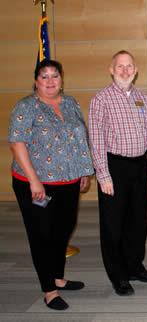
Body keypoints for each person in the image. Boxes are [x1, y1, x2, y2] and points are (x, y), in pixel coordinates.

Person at [8, 59, 94, 310]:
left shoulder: (70, 103)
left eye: (54, 76)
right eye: (44, 76)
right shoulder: (26, 107)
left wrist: (83, 171)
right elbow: (17, 143)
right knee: (42, 235)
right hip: (36, 184)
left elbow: (80, 137)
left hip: (68, 180)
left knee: (63, 229)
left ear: (61, 79)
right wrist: (34, 180)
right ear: (36, 81)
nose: (50, 81)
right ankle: (49, 290)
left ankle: (57, 276)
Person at [88, 50, 147, 296]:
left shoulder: (143, 98)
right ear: (111, 69)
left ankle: (134, 267)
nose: (125, 70)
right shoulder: (101, 99)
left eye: (129, 66)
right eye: (120, 66)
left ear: (136, 70)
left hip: (140, 166)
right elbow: (96, 139)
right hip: (114, 167)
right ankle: (118, 275)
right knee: (113, 225)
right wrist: (103, 175)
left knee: (137, 223)